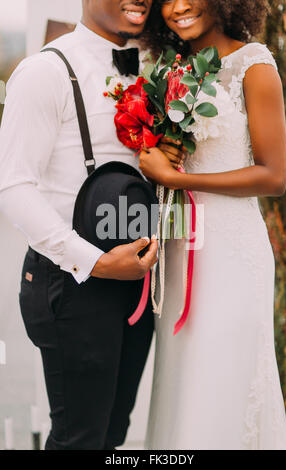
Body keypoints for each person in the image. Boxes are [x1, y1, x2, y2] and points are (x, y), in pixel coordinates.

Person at [0, 0, 163, 450]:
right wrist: (94, 262)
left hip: (136, 282)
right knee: (79, 440)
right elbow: (13, 187)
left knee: (112, 432)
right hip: (72, 282)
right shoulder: (44, 72)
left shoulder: (153, 70)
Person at [139, 0, 286, 450]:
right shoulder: (169, 70)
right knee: (184, 382)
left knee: (223, 378)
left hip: (232, 254)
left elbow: (274, 176)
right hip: (181, 251)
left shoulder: (254, 64)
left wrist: (173, 175)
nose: (179, 7)